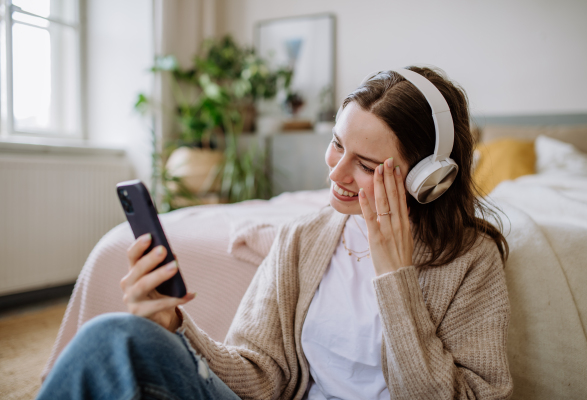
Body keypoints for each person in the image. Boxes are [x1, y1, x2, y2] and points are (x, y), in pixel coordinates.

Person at [37, 66, 513, 400]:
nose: (337, 172)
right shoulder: (304, 238)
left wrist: (396, 278)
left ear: (426, 179)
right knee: (112, 338)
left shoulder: (472, 260)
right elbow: (259, 378)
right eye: (337, 144)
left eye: (365, 166)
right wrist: (177, 329)